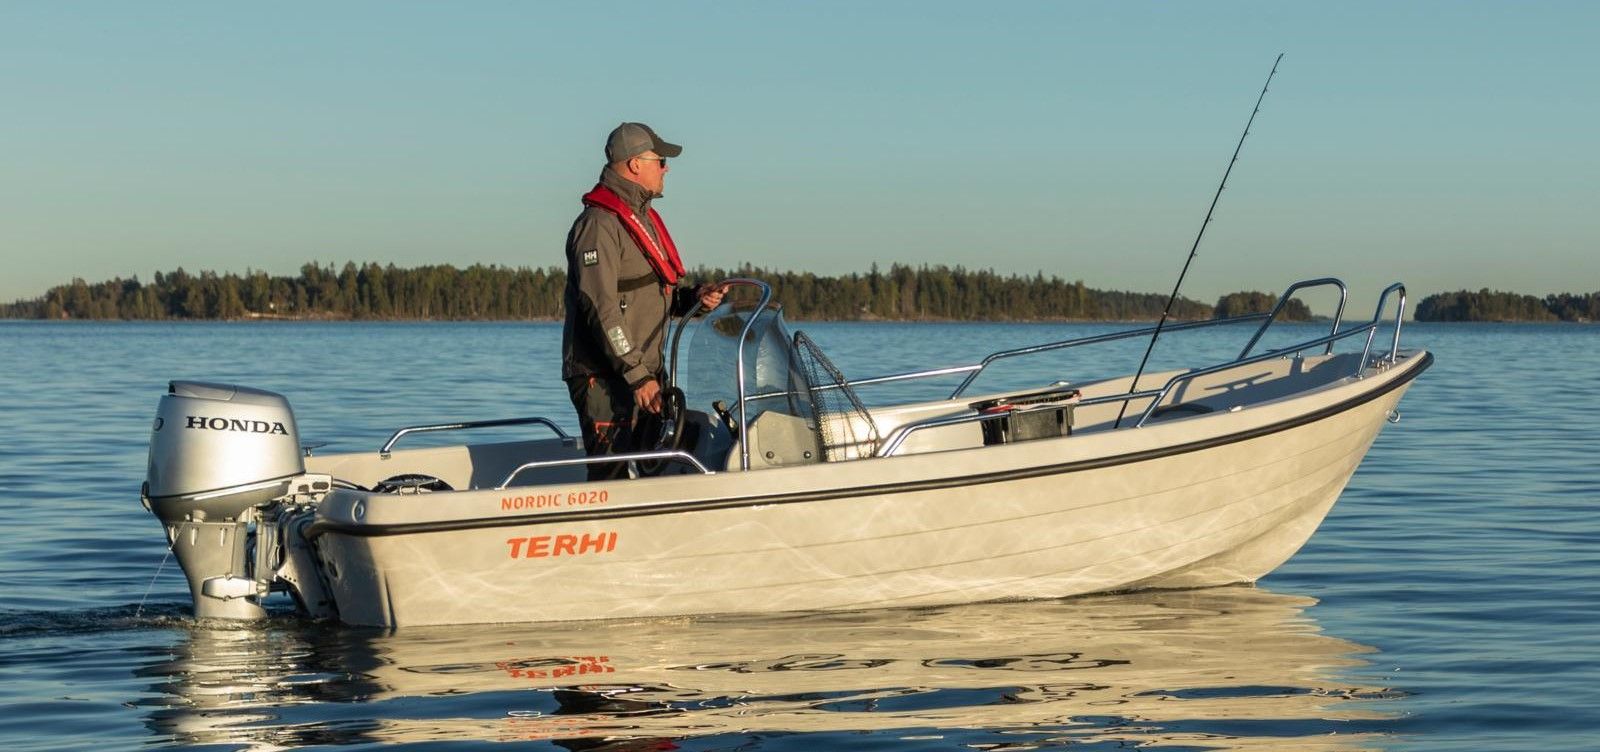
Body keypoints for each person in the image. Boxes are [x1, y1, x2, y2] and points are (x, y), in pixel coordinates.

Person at [562, 122, 725, 479]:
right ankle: (603, 533)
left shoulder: (641, 219)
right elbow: (601, 308)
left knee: (656, 466)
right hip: (605, 377)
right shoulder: (598, 226)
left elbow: (647, 294)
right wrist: (638, 378)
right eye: (659, 160)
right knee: (612, 477)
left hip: (642, 375)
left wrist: (695, 299)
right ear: (635, 164)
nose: (666, 168)